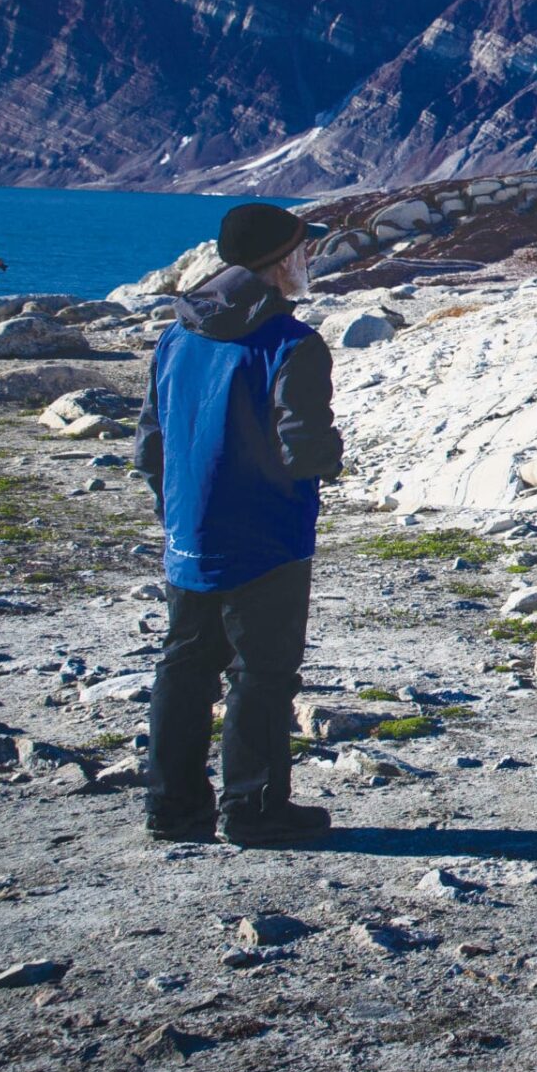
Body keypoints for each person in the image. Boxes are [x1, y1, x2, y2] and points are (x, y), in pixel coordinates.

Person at [135, 202, 342, 847]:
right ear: (281, 261)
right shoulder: (291, 343)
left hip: (189, 531)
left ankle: (173, 807)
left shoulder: (176, 334)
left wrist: (179, 508)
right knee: (261, 671)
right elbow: (303, 447)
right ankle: (253, 811)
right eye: (303, 251)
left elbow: (151, 443)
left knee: (185, 663)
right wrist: (327, 463)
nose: (308, 262)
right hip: (267, 535)